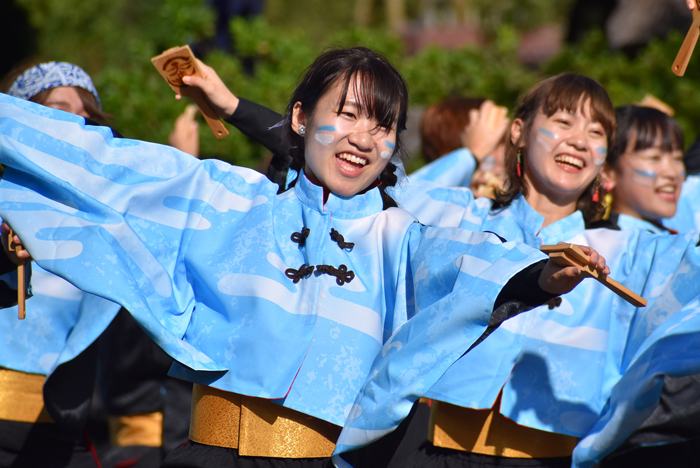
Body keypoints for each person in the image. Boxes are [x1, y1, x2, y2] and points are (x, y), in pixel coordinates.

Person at [0, 47, 602, 468]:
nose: (364, 138)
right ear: (300, 118)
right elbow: (106, 163)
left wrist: (544, 275)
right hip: (203, 455)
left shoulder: (406, 235)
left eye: (383, 125)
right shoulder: (229, 199)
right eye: (345, 114)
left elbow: (470, 262)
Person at [331, 73, 700, 468]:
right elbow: (382, 181)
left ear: (604, 159)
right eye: (562, 122)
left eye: (596, 132)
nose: (578, 140)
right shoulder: (461, 216)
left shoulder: (635, 251)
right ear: (519, 131)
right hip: (426, 452)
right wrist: (467, 155)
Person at [594, 105, 685, 234]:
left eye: (677, 158)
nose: (671, 172)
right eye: (653, 157)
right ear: (607, 172)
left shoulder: (676, 240)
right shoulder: (600, 246)